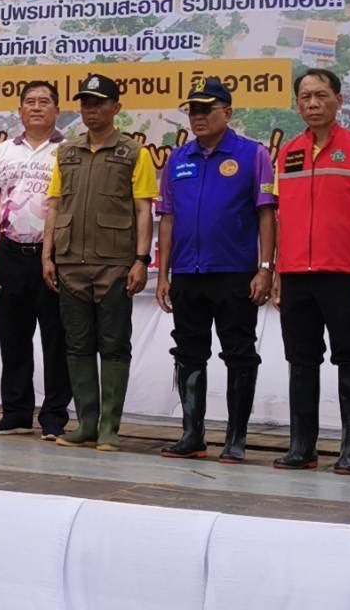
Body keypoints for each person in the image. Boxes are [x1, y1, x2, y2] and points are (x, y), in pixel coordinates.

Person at [269, 69, 350, 474]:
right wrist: (276, 272)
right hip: (296, 275)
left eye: (321, 95)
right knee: (301, 360)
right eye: (305, 97)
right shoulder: (288, 153)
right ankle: (302, 446)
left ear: (340, 100)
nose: (313, 104)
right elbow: (282, 216)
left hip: (344, 273)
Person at [155, 78, 276, 464]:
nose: (198, 117)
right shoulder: (178, 159)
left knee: (239, 353)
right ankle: (192, 435)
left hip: (235, 272)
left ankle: (236, 438)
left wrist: (265, 268)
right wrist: (162, 275)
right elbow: (168, 219)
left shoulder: (251, 154)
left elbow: (266, 213)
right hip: (188, 273)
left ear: (228, 112)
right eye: (193, 110)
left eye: (206, 109)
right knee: (188, 352)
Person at [40, 74, 156, 452]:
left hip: (115, 265)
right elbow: (55, 205)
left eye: (99, 103)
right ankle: (86, 424)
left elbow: (143, 209)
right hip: (71, 262)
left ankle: (109, 427)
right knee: (76, 346)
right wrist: (48, 254)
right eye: (86, 103)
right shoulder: (66, 152)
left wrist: (140, 259)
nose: (91, 110)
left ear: (116, 108)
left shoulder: (134, 153)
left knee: (114, 346)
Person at [0, 80, 71, 441]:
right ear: (19, 111)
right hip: (11, 253)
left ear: (57, 111)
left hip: (53, 256)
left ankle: (54, 418)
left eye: (44, 102)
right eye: (29, 101)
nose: (36, 107)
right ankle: (15, 413)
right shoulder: (3, 153)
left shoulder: (68, 151)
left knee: (56, 339)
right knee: (13, 337)